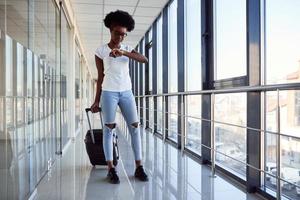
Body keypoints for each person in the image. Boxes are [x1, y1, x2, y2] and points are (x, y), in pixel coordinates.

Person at [91, 10, 148, 184]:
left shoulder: (127, 48)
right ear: (110, 29)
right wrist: (96, 100)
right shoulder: (100, 51)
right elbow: (100, 76)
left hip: (127, 93)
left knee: (135, 128)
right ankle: (111, 169)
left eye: (123, 34)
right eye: (117, 33)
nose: (120, 38)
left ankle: (139, 167)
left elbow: (144, 59)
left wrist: (123, 53)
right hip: (108, 92)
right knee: (109, 130)